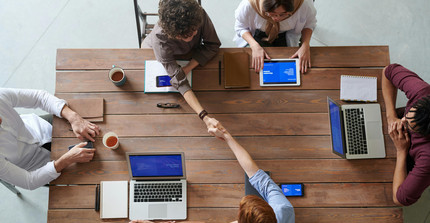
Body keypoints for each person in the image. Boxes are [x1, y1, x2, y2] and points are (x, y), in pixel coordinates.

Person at [142, 0, 222, 134]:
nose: (196, 33)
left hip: (189, 54)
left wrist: (189, 67)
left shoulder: (197, 15)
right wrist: (204, 116)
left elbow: (213, 45)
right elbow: (179, 80)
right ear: (176, 35)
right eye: (190, 34)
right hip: (154, 52)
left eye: (196, 29)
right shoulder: (159, 39)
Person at [0, 88, 100, 190]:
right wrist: (66, 160)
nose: (1, 119)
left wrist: (74, 118)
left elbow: (39, 97)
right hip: (40, 166)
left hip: (41, 126)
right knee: (87, 180)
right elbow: (28, 181)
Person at [208, 124, 294, 223]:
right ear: (271, 211)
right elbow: (254, 173)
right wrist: (226, 135)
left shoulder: (283, 209)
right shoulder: (283, 209)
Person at [382, 64, 430, 206]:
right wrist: (391, 116)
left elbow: (400, 198)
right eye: (407, 116)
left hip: (405, 156)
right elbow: (388, 71)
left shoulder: (428, 156)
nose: (402, 121)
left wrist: (401, 151)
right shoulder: (422, 92)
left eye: (409, 125)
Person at [234, 0, 317, 73]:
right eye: (272, 14)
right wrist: (254, 45)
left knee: (287, 68)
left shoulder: (304, 4)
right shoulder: (249, 5)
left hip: (286, 34)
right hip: (258, 34)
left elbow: (309, 24)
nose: (276, 19)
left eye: (283, 15)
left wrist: (305, 45)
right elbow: (241, 27)